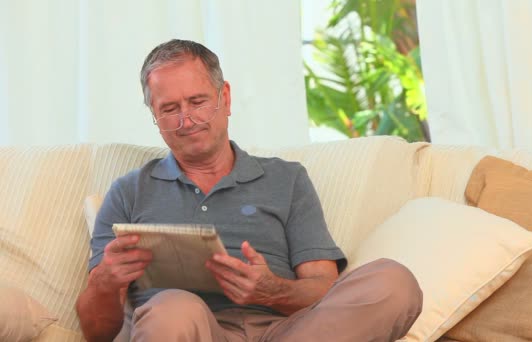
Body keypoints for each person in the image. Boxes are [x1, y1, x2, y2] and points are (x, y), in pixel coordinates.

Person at [76, 39, 422, 342]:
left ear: (225, 98)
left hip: (289, 332)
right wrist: (105, 282)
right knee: (172, 308)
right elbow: (96, 332)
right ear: (154, 113)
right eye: (169, 109)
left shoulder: (286, 179)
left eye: (197, 102)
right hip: (185, 330)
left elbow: (324, 289)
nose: (187, 120)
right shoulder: (128, 191)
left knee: (393, 282)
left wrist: (273, 290)